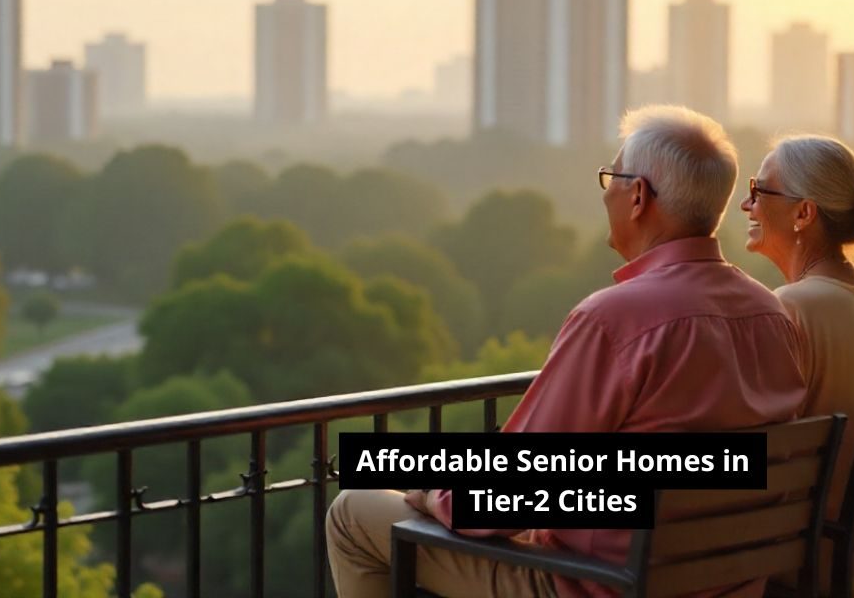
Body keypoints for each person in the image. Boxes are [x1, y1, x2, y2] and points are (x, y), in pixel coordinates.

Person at [326, 105, 810, 598]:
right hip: (725, 584)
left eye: (612, 179)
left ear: (638, 195)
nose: (607, 195)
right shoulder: (772, 314)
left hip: (600, 587)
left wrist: (432, 490)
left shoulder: (614, 321)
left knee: (354, 509)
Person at [739, 134, 854, 597]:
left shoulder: (792, 306)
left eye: (760, 191)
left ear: (804, 213)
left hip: (830, 568)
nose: (747, 204)